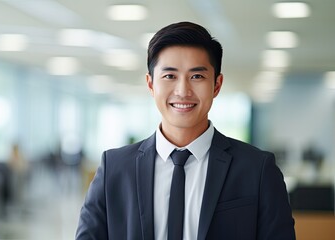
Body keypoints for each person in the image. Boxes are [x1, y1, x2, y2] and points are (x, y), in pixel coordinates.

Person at [76, 22, 295, 240]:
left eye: (197, 76)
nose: (183, 91)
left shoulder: (257, 169)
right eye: (170, 76)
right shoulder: (114, 168)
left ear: (217, 85)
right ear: (151, 84)